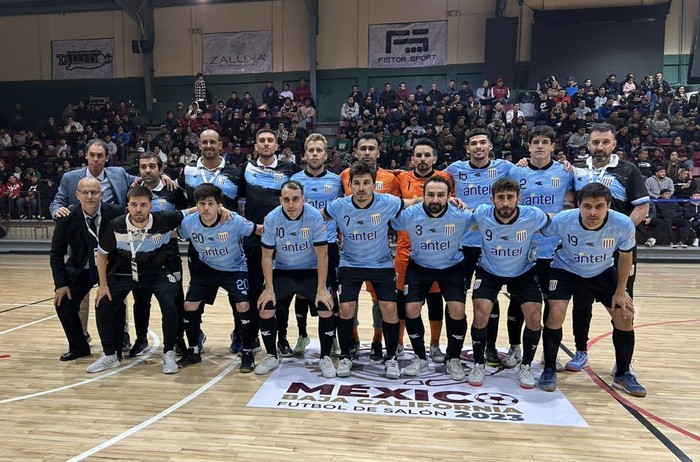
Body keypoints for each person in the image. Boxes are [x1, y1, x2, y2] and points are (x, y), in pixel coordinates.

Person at [538, 183, 646, 397]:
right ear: (578, 205)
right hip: (565, 269)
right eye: (587, 206)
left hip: (602, 271)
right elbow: (541, 231)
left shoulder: (623, 224)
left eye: (599, 206)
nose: (593, 212)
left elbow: (626, 256)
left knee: (624, 315)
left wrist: (621, 291)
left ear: (608, 206)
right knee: (556, 313)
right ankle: (549, 368)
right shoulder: (564, 220)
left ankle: (623, 373)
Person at [322, 163, 420, 379]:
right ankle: (346, 356)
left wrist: (444, 201)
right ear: (350, 185)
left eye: (366, 183)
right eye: (356, 183)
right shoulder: (339, 205)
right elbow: (317, 216)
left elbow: (413, 201)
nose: (361, 187)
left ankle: (391, 357)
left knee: (389, 309)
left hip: (381, 264)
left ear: (373, 184)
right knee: (346, 308)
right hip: (350, 263)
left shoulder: (387, 202)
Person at [569, 123, 649, 372]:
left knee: (622, 305)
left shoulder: (629, 170)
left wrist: (618, 234)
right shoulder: (577, 171)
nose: (600, 147)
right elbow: (572, 205)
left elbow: (642, 208)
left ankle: (623, 363)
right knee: (581, 303)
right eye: (595, 143)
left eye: (605, 142)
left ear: (614, 144)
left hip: (619, 251)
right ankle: (580, 351)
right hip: (585, 251)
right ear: (588, 145)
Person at [88, 186, 195, 374]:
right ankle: (109, 355)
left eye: (143, 205)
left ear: (151, 206)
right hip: (124, 272)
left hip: (156, 272)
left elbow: (191, 211)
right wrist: (102, 286)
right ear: (127, 206)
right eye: (134, 204)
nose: (138, 209)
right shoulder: (116, 225)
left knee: (170, 304)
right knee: (103, 302)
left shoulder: (164, 219)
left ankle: (169, 353)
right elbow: (102, 254)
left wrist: (221, 208)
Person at [465, 178, 550, 389]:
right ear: (492, 199)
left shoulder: (533, 215)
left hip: (523, 272)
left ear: (518, 199)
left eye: (510, 197)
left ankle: (526, 366)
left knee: (534, 314)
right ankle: (478, 364)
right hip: (489, 270)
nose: (505, 203)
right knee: (481, 310)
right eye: (500, 198)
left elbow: (556, 220)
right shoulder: (482, 213)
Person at [503, 126, 575, 371]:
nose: (540, 146)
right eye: (536, 142)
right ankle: (514, 348)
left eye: (546, 142)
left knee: (552, 303)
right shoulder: (516, 170)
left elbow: (576, 201)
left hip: (551, 250)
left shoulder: (565, 172)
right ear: (529, 146)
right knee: (517, 301)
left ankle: (548, 351)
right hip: (521, 249)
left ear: (553, 147)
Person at [445, 128, 517, 368]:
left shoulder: (505, 167)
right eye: (473, 143)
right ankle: (452, 349)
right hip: (462, 243)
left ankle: (491, 347)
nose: (478, 147)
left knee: (489, 299)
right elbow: (430, 181)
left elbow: (532, 171)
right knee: (455, 298)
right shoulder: (455, 168)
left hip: (491, 243)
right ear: (467, 148)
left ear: (489, 147)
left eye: (482, 142)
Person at [390, 177, 471, 379]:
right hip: (419, 267)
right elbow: (388, 219)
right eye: (431, 195)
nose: (435, 199)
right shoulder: (410, 214)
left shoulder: (461, 215)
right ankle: (420, 357)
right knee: (410, 309)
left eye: (441, 195)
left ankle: (453, 358)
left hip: (451, 267)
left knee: (457, 309)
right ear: (423, 196)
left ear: (449, 196)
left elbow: (488, 218)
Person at [176, 184, 261, 370]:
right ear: (196, 205)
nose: (206, 208)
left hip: (235, 267)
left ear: (218, 205)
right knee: (189, 305)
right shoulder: (189, 223)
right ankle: (193, 350)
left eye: (210, 204)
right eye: (202, 204)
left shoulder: (233, 220)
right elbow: (174, 233)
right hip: (207, 267)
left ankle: (247, 351)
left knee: (243, 305)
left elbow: (258, 229)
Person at [256, 181, 335, 376]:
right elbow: (266, 256)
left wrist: (322, 288)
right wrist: (268, 288)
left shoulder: (314, 216)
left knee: (326, 307)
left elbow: (322, 255)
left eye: (295, 199)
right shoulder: (272, 218)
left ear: (303, 199)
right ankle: (272, 356)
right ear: (280, 200)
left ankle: (325, 357)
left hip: (310, 270)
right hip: (283, 270)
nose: (291, 205)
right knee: (266, 307)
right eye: (286, 200)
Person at [238, 129, 302, 355]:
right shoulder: (244, 170)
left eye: (270, 141)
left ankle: (282, 336)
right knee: (255, 290)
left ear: (277, 145)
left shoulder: (290, 170)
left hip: (284, 241)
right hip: (254, 240)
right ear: (255, 146)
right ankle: (252, 335)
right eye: (261, 141)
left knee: (281, 292)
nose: (266, 144)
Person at [180, 129, 243, 352]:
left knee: (238, 297)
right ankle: (195, 335)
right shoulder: (186, 172)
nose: (209, 145)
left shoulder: (236, 172)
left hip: (229, 246)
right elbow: (179, 200)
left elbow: (243, 201)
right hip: (200, 246)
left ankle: (240, 334)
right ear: (199, 144)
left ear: (220, 145)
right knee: (196, 296)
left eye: (213, 142)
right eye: (204, 142)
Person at [394, 140, 455, 364]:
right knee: (404, 301)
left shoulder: (445, 179)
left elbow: (453, 204)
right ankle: (400, 343)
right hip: (405, 251)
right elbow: (393, 204)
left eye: (426, 155)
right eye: (418, 155)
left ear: (434, 159)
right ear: (412, 159)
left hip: (437, 249)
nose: (422, 159)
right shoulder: (401, 178)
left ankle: (435, 345)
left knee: (435, 299)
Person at [49, 177, 122, 362]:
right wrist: (61, 284)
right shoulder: (67, 218)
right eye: (85, 193)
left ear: (102, 194)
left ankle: (116, 347)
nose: (90, 196)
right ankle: (79, 347)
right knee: (63, 304)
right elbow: (56, 253)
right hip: (81, 269)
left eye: (94, 192)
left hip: (110, 268)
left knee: (111, 303)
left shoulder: (115, 213)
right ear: (77, 195)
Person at [129, 153, 189, 358]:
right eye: (143, 166)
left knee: (174, 301)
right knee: (141, 301)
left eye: (152, 166)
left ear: (161, 169)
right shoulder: (133, 192)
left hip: (169, 256)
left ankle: (178, 340)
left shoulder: (172, 191)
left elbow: (186, 216)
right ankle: (141, 338)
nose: (147, 170)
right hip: (141, 256)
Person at [290, 134, 343, 357]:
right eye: (310, 150)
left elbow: (343, 210)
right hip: (300, 246)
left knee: (330, 294)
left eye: (318, 150)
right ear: (304, 154)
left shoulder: (337, 181)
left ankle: (334, 339)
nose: (314, 154)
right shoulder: (294, 180)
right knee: (301, 294)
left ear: (326, 154)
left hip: (328, 244)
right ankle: (303, 335)